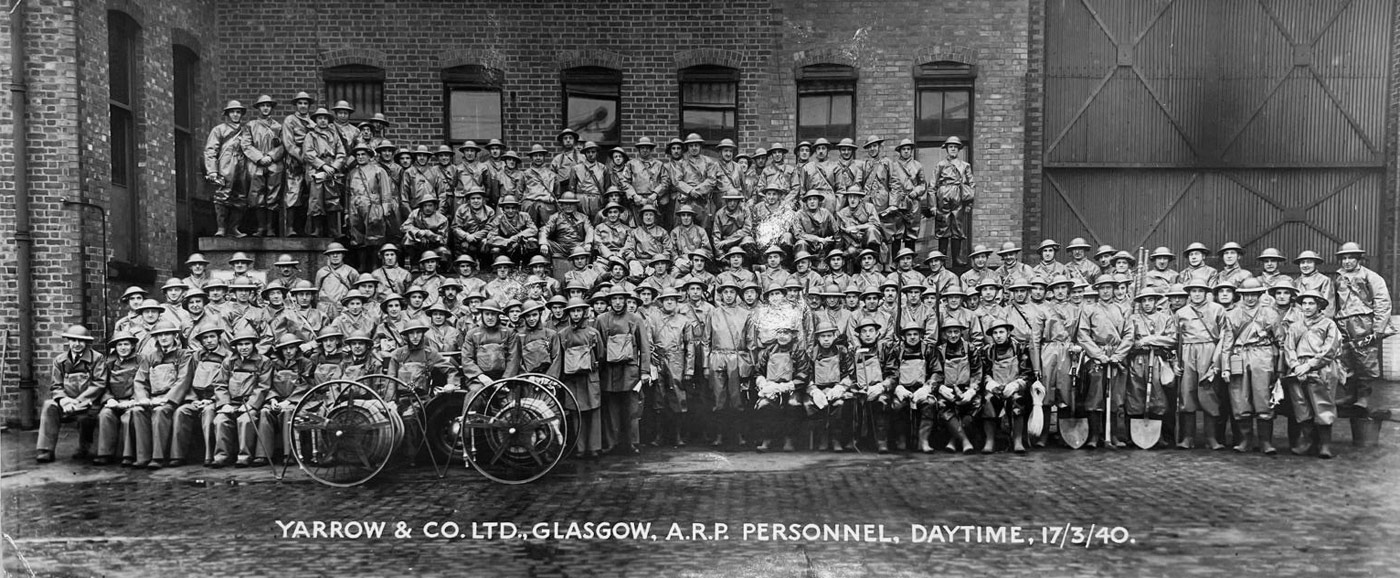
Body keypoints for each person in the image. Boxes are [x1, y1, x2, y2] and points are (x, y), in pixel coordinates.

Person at [1332, 242, 1392, 446]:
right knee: (1345, 359)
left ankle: (1364, 396)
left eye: (1351, 257)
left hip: (1364, 322)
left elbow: (1383, 301)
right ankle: (1350, 395)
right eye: (1344, 258)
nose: (1347, 261)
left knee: (1366, 360)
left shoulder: (1371, 277)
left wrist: (1378, 328)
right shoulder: (1338, 278)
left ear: (1359, 259)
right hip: (1343, 322)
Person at [1282, 289, 1344, 458]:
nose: (1307, 307)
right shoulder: (1295, 326)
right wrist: (1295, 366)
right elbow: (1289, 348)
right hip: (1298, 370)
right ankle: (1307, 441)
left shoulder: (1328, 324)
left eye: (1311, 303)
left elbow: (1330, 348)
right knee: (1301, 406)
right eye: (1304, 303)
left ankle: (1324, 445)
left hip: (1321, 369)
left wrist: (1310, 365)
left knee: (1323, 406)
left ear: (1319, 306)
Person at [1220, 278, 1281, 454]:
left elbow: (1280, 341)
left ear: (1260, 294)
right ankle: (1245, 440)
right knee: (1239, 398)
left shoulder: (1270, 313)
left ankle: (1265, 442)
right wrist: (1225, 367)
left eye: (1254, 294)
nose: (1250, 298)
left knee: (1263, 397)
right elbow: (1227, 344)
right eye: (1246, 295)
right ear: (1240, 295)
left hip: (1263, 355)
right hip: (1239, 356)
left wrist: (1279, 367)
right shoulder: (1232, 314)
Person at [594, 286, 652, 454]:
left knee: (632, 408)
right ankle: (612, 443)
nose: (618, 303)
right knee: (611, 408)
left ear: (626, 300)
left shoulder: (635, 319)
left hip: (629, 371)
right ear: (609, 301)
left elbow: (644, 348)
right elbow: (598, 348)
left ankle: (632, 443)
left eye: (621, 299)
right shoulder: (601, 320)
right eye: (614, 299)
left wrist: (645, 371)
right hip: (609, 371)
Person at [35, 325, 105, 463]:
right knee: (49, 405)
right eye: (73, 340)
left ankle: (84, 448)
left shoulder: (97, 359)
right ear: (68, 341)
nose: (77, 344)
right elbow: (56, 385)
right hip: (66, 403)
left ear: (87, 342)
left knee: (87, 418)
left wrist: (78, 401)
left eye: (81, 341)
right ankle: (46, 450)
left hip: (88, 403)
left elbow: (99, 383)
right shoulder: (59, 360)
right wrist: (63, 400)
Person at [1174, 280, 1230, 450]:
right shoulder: (1181, 312)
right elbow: (1175, 340)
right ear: (1189, 293)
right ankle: (1188, 438)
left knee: (1209, 392)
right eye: (1193, 291)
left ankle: (1211, 438)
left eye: (1200, 291)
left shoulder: (1217, 309)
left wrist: (1217, 362)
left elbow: (1225, 337)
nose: (1197, 294)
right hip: (1187, 352)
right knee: (1187, 393)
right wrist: (1175, 361)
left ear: (1206, 292)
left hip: (1209, 349)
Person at [1120, 288, 1177, 449]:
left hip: (1158, 360)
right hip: (1138, 360)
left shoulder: (1165, 318)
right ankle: (1133, 435)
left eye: (1150, 300)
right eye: (1144, 301)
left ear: (1155, 301)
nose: (1147, 304)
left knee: (1158, 395)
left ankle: (1161, 435)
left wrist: (1149, 339)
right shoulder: (1133, 319)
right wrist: (1140, 343)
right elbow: (1129, 338)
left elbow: (1172, 339)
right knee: (1135, 393)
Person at [210, 329, 271, 468]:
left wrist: (251, 405)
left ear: (253, 344)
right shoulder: (228, 362)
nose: (244, 347)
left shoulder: (264, 361)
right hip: (232, 402)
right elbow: (220, 384)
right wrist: (224, 404)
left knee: (245, 420)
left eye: (247, 344)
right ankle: (221, 456)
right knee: (220, 420)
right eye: (240, 344)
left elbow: (263, 386)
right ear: (235, 347)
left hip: (251, 404)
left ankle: (244, 456)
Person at [164, 322, 221, 468]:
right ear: (201, 341)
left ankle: (210, 456)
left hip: (217, 400)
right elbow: (188, 379)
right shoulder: (195, 357)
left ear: (218, 338)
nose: (209, 340)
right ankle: (177, 456)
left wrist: (212, 400)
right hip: (197, 398)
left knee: (208, 414)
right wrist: (194, 400)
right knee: (181, 412)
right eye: (205, 338)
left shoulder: (227, 357)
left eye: (212, 337)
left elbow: (227, 384)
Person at [979, 319, 1036, 454]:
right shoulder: (987, 351)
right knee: (987, 400)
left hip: (1015, 387)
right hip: (995, 388)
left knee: (1018, 400)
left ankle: (1017, 440)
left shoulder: (1020, 349)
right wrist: (990, 384)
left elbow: (1028, 373)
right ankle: (990, 440)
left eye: (1001, 332)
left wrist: (1016, 384)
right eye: (995, 333)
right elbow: (983, 373)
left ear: (1008, 332)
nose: (998, 336)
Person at [558, 298, 605, 457]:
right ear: (569, 313)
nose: (576, 314)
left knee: (593, 412)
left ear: (584, 312)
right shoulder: (563, 334)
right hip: (572, 380)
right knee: (577, 413)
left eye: (579, 310)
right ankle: (580, 447)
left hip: (590, 378)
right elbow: (560, 356)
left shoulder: (593, 333)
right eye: (573, 311)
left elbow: (601, 354)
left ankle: (594, 447)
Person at [345, 144, 401, 254]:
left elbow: (385, 191)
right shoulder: (352, 173)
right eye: (358, 155)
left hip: (373, 206)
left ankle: (375, 264)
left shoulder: (378, 171)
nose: (360, 157)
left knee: (375, 236)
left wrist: (386, 208)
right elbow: (348, 193)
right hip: (355, 207)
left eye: (363, 154)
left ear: (369, 156)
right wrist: (347, 211)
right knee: (357, 236)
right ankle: (362, 264)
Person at [301, 107, 347, 238]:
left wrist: (334, 166)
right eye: (320, 118)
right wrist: (323, 165)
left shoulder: (334, 135)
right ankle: (316, 229)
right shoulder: (310, 135)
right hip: (316, 171)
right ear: (316, 120)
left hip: (332, 171)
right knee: (316, 201)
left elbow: (341, 153)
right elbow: (308, 154)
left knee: (333, 200)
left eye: (325, 118)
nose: (323, 121)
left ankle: (334, 230)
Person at [931, 137, 973, 265]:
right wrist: (932, 205)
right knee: (942, 226)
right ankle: (941, 259)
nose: (953, 149)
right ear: (947, 149)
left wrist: (969, 203)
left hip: (958, 195)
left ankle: (956, 258)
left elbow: (971, 184)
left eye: (955, 147)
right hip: (943, 195)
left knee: (957, 226)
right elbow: (932, 185)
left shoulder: (965, 166)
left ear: (959, 149)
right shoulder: (940, 165)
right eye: (951, 147)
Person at [459, 300, 520, 389]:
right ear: (482, 315)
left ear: (498, 315)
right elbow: (467, 359)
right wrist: (481, 377)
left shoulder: (509, 333)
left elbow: (513, 358)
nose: (490, 317)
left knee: (511, 401)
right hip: (479, 379)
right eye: (487, 314)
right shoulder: (472, 334)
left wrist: (504, 380)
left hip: (503, 378)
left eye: (493, 314)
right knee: (476, 395)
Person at [280, 92, 315, 236]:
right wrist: (302, 157)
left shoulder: (313, 122)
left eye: (305, 103)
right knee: (293, 193)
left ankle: (307, 229)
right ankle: (290, 228)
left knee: (311, 194)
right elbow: (288, 143)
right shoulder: (290, 120)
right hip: (295, 160)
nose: (303, 106)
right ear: (296, 105)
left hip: (312, 161)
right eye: (300, 103)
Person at [486, 195, 539, 263]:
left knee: (533, 241)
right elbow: (491, 237)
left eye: (513, 208)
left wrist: (517, 236)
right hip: (507, 247)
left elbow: (533, 229)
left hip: (521, 244)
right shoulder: (498, 219)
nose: (510, 211)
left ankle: (530, 263)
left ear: (517, 209)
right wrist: (507, 241)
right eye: (507, 208)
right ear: (503, 209)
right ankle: (500, 265)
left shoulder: (524, 216)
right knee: (495, 250)